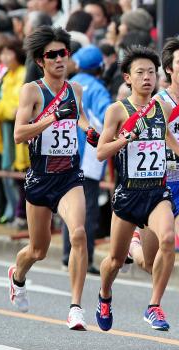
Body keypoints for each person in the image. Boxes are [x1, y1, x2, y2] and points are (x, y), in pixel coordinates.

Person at [95, 45, 179, 333]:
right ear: (127, 78)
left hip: (156, 191)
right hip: (129, 193)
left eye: (151, 72)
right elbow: (101, 152)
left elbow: (167, 137)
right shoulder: (117, 110)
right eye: (140, 72)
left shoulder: (161, 107)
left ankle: (154, 305)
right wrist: (125, 139)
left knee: (168, 239)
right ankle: (104, 294)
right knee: (115, 260)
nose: (147, 78)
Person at [8, 26, 100, 330]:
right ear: (41, 61)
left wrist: (89, 130)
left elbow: (80, 116)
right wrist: (51, 117)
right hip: (40, 177)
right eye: (53, 55)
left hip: (69, 175)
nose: (60, 59)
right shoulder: (32, 91)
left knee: (77, 234)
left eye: (64, 53)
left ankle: (76, 307)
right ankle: (17, 276)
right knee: (38, 250)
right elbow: (19, 134)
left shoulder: (76, 90)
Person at [128, 35, 179, 349]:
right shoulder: (157, 103)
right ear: (168, 69)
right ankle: (133, 246)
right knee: (150, 261)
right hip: (155, 185)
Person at [61, 45, 112, 275]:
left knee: (69, 205)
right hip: (90, 156)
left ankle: (66, 254)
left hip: (67, 152)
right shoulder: (99, 89)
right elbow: (106, 118)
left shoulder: (69, 86)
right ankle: (85, 257)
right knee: (87, 208)